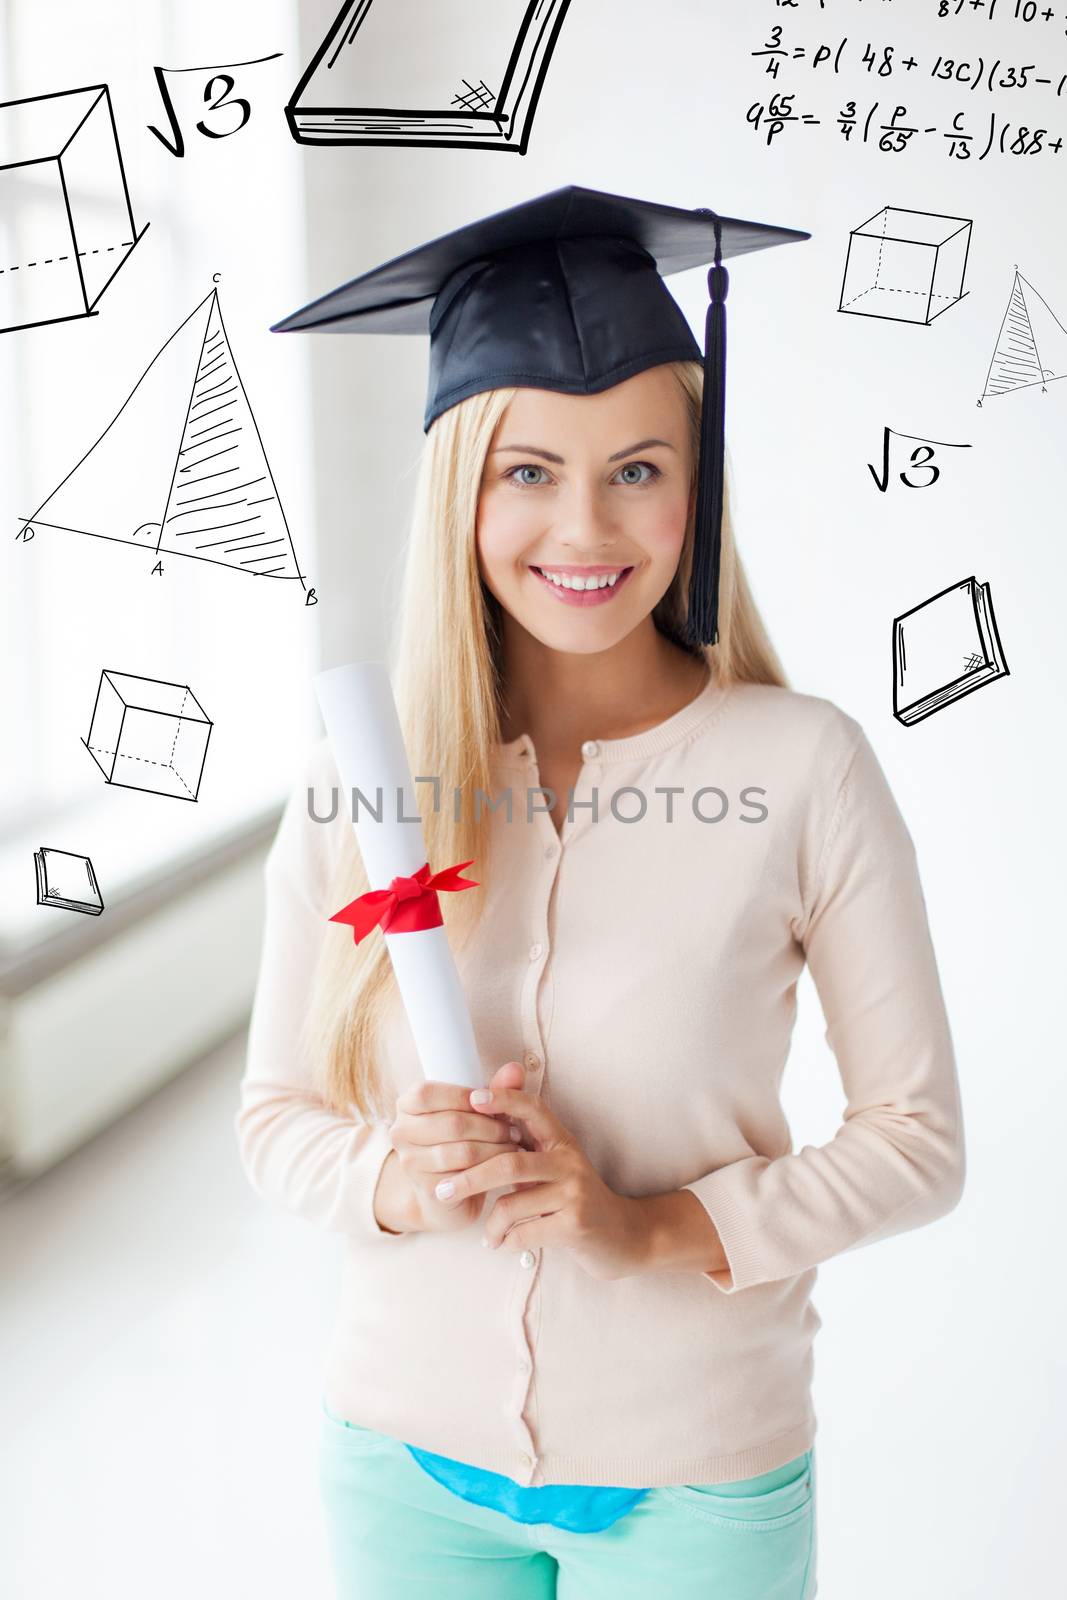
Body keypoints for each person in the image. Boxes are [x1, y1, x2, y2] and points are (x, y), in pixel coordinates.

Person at [237, 187, 966, 1598]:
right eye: (528, 471)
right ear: (461, 485)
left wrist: (657, 1227)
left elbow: (918, 1140)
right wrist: (397, 1171)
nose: (585, 524)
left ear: (698, 485)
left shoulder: (803, 766)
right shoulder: (362, 773)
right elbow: (277, 1123)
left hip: (698, 1472)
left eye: (638, 467)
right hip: (403, 1462)